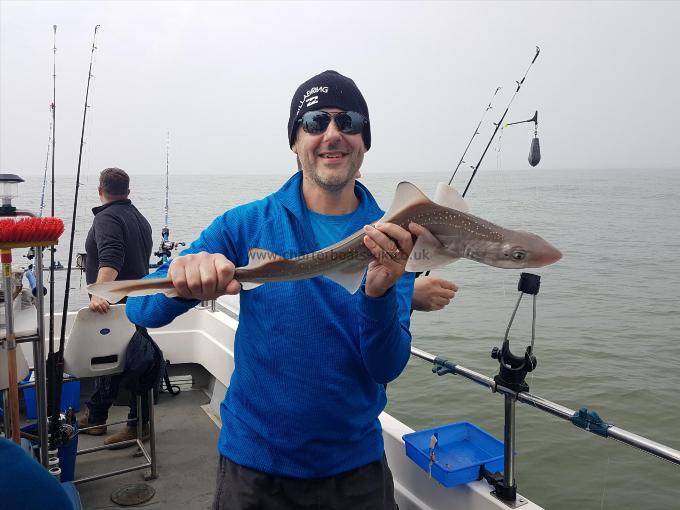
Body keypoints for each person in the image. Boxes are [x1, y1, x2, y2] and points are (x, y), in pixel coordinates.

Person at [127, 70, 430, 509]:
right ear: (294, 140)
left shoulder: (392, 241)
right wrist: (183, 281)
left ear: (364, 140)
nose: (332, 134)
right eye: (314, 122)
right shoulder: (245, 224)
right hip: (255, 469)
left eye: (348, 121)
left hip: (355, 471)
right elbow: (141, 311)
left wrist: (379, 293)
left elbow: (385, 366)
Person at [78, 167, 154, 448]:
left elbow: (112, 258)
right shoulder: (139, 218)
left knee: (128, 365)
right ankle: (97, 417)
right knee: (123, 364)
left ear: (101, 190)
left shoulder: (107, 218)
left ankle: (137, 425)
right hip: (136, 304)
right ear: (128, 192)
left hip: (114, 307)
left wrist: (101, 294)